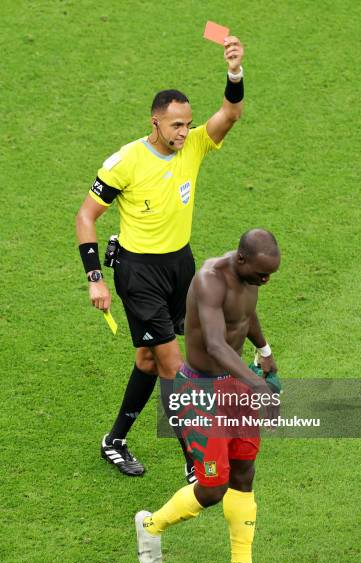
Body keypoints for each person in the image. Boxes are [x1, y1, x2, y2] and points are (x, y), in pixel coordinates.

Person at [75, 36, 245, 480]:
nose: (183, 133)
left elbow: (230, 114)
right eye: (175, 126)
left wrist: (234, 71)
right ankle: (197, 463)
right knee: (173, 364)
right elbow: (86, 216)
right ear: (155, 122)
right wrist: (95, 277)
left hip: (179, 268)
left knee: (148, 362)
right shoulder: (125, 163)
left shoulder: (193, 147)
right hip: (139, 274)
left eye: (187, 125)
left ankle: (114, 441)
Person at [135, 229, 292, 563]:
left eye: (271, 275)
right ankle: (150, 525)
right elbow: (217, 345)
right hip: (200, 392)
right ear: (241, 260)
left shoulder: (252, 275)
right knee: (212, 487)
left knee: (243, 472)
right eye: (261, 274)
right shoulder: (209, 281)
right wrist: (258, 387)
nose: (266, 281)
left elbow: (245, 316)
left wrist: (264, 352)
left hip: (234, 385)